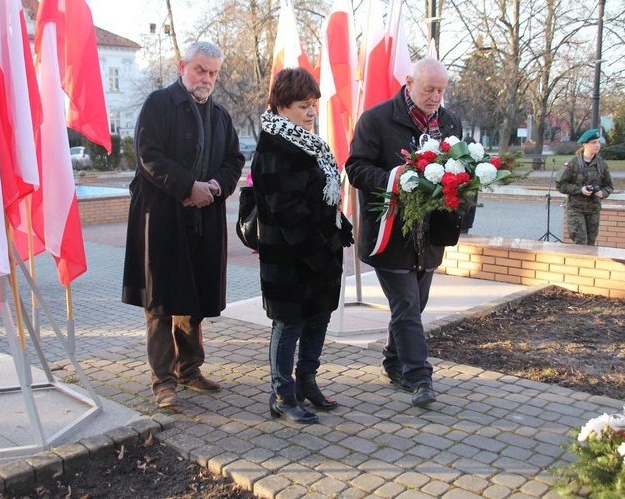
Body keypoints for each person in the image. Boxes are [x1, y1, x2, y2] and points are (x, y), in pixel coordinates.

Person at [122, 41, 244, 409]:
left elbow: (234, 159)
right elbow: (148, 155)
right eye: (200, 70)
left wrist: (215, 187)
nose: (207, 78)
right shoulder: (158, 103)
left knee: (195, 300)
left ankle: (190, 370)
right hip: (161, 217)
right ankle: (164, 382)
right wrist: (188, 186)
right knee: (160, 302)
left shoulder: (220, 114)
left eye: (213, 73)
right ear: (183, 66)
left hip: (204, 218)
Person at [346, 57, 462, 409]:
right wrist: (398, 179)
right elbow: (355, 167)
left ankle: (393, 361)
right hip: (391, 232)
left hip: (429, 236)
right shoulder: (377, 119)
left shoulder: (450, 121)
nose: (434, 97)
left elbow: (460, 167)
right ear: (409, 82)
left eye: (441, 90)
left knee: (415, 304)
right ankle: (419, 375)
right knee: (408, 305)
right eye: (428, 89)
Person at [252, 67, 353, 424]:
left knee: (317, 319)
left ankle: (307, 382)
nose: (312, 112)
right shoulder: (275, 146)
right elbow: (288, 211)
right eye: (303, 106)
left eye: (314, 105)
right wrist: (319, 253)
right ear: (281, 106)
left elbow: (322, 199)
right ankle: (282, 394)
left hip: (321, 251)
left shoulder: (311, 142)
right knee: (289, 323)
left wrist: (337, 229)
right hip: (292, 257)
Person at [556, 128, 613, 245]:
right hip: (576, 209)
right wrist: (579, 190)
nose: (597, 145)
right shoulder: (573, 163)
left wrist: (603, 193)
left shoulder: (601, 164)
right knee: (580, 242)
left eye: (598, 142)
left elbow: (609, 186)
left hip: (593, 209)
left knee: (591, 243)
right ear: (585, 144)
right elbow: (560, 184)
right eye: (593, 142)